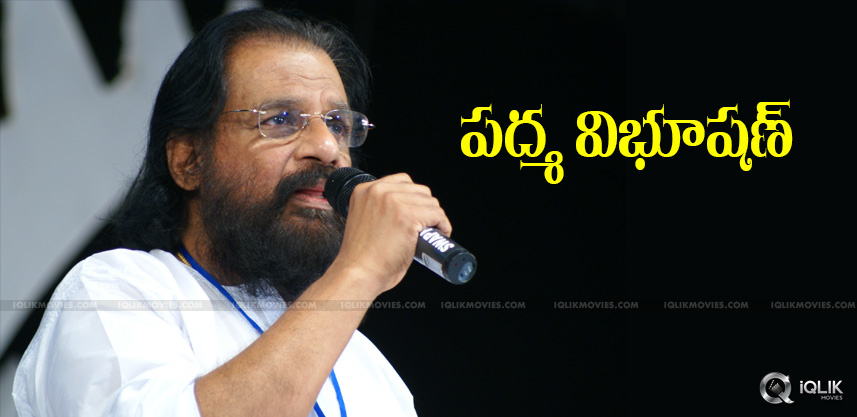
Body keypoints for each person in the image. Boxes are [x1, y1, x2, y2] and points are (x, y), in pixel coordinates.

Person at [13, 8, 452, 417]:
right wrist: (358, 271)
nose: (326, 148)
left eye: (337, 125)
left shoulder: (366, 367)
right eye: (280, 119)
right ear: (189, 161)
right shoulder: (113, 292)